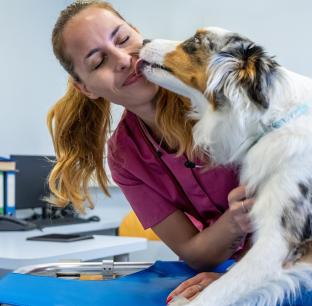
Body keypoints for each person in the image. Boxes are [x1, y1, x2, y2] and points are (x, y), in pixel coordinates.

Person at [47, 0, 254, 303]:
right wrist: (236, 224)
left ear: (138, 33)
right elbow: (194, 253)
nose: (121, 59)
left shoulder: (219, 86)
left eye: (122, 39)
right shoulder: (124, 156)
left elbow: (311, 207)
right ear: (87, 89)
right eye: (97, 62)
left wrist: (246, 277)